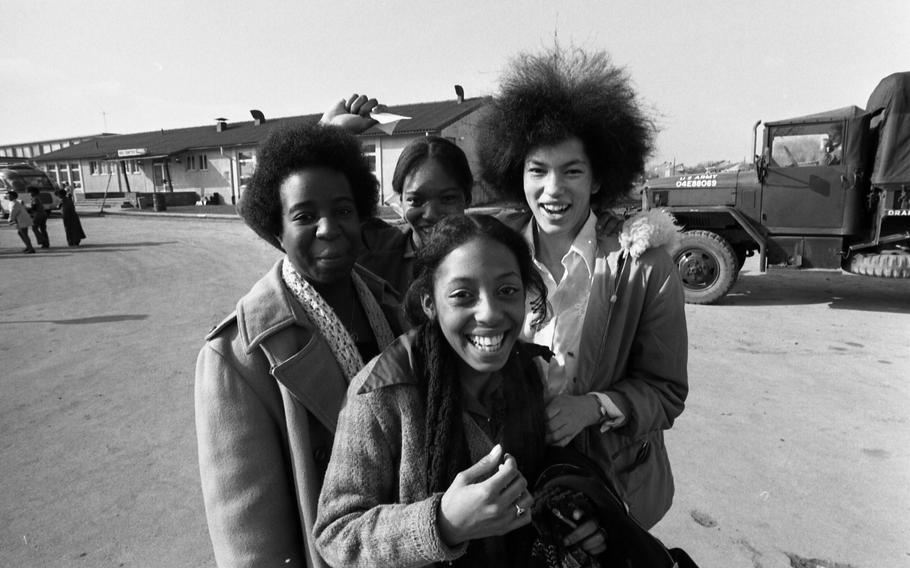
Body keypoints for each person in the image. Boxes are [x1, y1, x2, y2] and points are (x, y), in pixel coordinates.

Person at [315, 214, 608, 567]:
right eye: (462, 295)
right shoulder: (382, 393)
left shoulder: (529, 373)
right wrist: (443, 524)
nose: (489, 313)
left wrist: (578, 522)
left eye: (507, 291)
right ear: (429, 303)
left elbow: (542, 484)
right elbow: (336, 535)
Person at [477, 46, 689, 529]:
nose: (553, 190)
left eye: (572, 171)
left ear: (597, 180)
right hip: (508, 486)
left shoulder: (644, 266)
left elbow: (666, 391)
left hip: (610, 489)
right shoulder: (491, 254)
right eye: (538, 171)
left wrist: (592, 408)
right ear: (517, 173)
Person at [195, 117, 404, 567]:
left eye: (343, 210)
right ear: (277, 230)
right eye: (305, 216)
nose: (329, 228)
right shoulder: (237, 355)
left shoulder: (392, 310)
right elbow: (247, 537)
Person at [357, 135, 473, 295]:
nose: (431, 214)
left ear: (467, 198)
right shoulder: (373, 255)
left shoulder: (494, 256)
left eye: (447, 199)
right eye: (415, 200)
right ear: (401, 200)